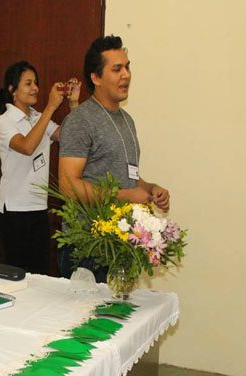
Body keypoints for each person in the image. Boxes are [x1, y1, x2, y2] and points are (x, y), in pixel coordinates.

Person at [58, 35, 170, 281]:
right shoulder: (80, 121)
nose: (126, 75)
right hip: (88, 249)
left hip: (120, 246)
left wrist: (150, 189)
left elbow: (127, 175)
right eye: (117, 69)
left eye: (127, 67)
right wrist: (126, 196)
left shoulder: (127, 120)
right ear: (96, 78)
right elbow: (68, 186)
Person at [0, 61, 81, 274]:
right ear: (13, 90)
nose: (35, 88)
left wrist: (73, 104)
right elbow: (27, 146)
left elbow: (68, 136)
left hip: (38, 207)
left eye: (36, 83)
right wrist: (51, 107)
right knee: (17, 275)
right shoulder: (5, 121)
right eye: (28, 83)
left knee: (40, 273)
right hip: (14, 209)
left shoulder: (37, 117)